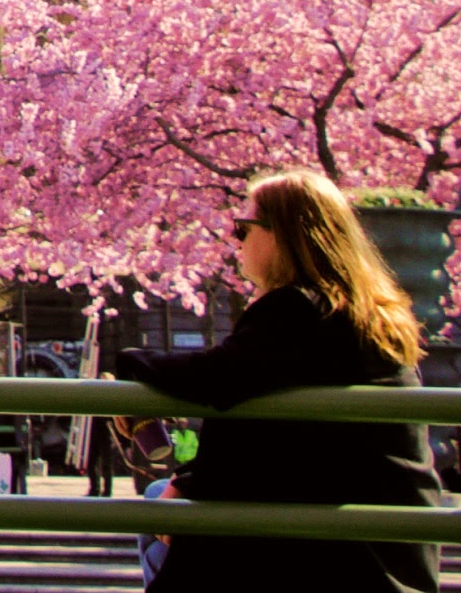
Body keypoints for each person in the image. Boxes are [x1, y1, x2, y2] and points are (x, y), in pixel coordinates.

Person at [117, 169, 442, 593]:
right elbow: (286, 437)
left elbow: (216, 379)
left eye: (244, 228)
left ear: (282, 235)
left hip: (339, 555)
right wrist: (185, 482)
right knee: (162, 494)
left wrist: (131, 362)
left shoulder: (297, 309)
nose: (236, 240)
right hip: (382, 545)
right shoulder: (366, 313)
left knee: (157, 511)